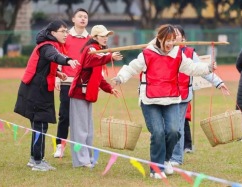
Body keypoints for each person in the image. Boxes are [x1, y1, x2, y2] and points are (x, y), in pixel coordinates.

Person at [111, 24, 215, 179]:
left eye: (173, 40)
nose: (170, 44)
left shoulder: (178, 54)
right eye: (167, 40)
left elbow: (192, 68)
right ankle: (156, 169)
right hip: (150, 99)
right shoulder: (147, 53)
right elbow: (132, 67)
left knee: (174, 131)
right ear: (159, 38)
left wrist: (208, 68)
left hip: (171, 98)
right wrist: (120, 77)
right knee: (158, 133)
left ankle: (166, 159)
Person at [14, 19, 80, 171]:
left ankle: (34, 159)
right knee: (40, 124)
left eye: (66, 31)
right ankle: (38, 161)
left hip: (37, 88)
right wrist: (68, 60)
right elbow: (54, 56)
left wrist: (57, 73)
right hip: (36, 90)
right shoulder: (48, 46)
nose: (66, 34)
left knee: (38, 125)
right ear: (52, 33)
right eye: (62, 31)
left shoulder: (48, 45)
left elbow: (42, 65)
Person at [170, 25, 230, 166]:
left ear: (183, 38)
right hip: (165, 95)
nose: (173, 36)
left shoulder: (190, 53)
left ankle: (176, 158)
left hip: (183, 96)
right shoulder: (165, 50)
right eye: (171, 33)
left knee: (178, 127)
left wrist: (218, 82)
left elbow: (203, 69)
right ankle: (167, 155)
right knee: (167, 128)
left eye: (177, 34)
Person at [68, 25, 123, 168]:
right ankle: (80, 161)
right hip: (79, 93)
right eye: (102, 35)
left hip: (88, 94)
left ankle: (88, 158)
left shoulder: (98, 50)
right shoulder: (91, 49)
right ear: (94, 37)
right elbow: (92, 60)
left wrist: (110, 89)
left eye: (107, 35)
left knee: (88, 130)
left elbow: (98, 77)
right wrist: (110, 56)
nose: (105, 38)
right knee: (80, 130)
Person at [54, 8, 90, 158]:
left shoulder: (91, 38)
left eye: (85, 17)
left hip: (84, 83)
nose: (83, 19)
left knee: (82, 118)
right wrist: (57, 76)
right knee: (65, 115)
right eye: (80, 16)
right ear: (73, 19)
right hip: (67, 81)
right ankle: (59, 146)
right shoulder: (66, 37)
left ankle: (80, 149)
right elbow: (58, 56)